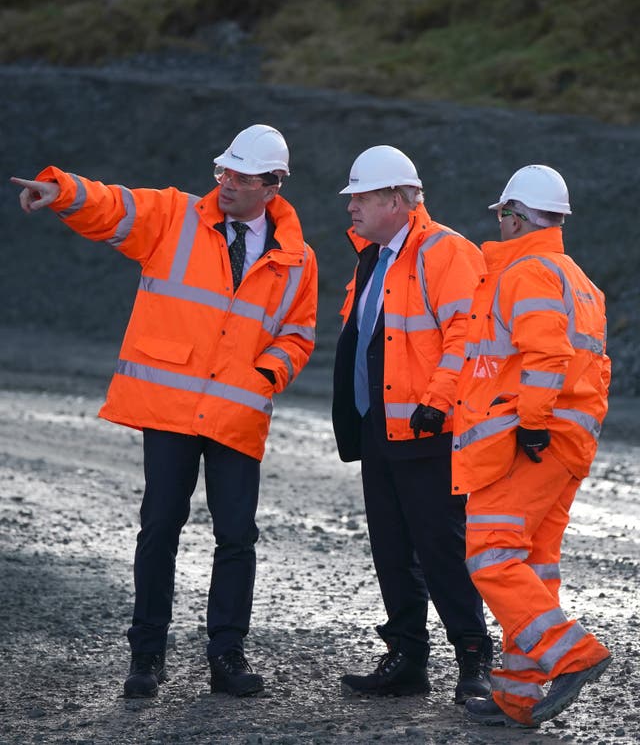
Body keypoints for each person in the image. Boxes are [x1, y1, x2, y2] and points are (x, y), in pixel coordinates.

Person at [10, 124, 318, 699]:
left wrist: (267, 372)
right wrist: (65, 192)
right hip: (171, 407)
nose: (226, 184)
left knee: (236, 538)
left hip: (236, 413)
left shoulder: (298, 258)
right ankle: (146, 658)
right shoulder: (175, 217)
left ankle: (227, 657)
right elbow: (114, 204)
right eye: (223, 172)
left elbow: (298, 333)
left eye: (241, 177)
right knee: (159, 529)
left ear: (272, 185)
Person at [332, 145, 493, 702]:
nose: (350, 208)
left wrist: (437, 403)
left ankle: (473, 659)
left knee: (441, 548)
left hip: (429, 429)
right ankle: (407, 658)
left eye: (361, 198)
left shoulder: (446, 252)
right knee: (392, 548)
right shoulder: (374, 258)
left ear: (398, 200)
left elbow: (466, 334)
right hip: (381, 429)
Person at [452, 165, 612, 728]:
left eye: (502, 214)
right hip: (567, 445)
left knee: (490, 553)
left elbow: (546, 357)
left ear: (516, 215)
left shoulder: (526, 272)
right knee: (532, 567)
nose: (498, 224)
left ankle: (572, 654)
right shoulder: (578, 280)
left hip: (530, 441)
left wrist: (533, 421)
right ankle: (518, 696)